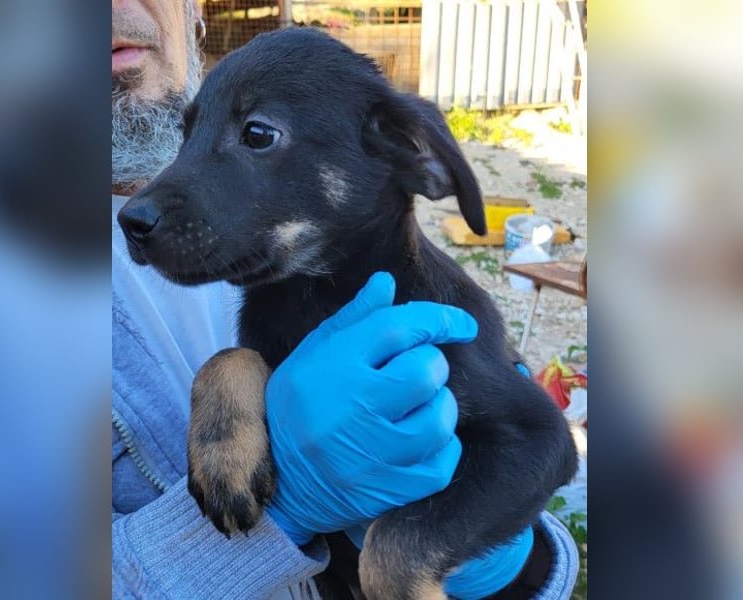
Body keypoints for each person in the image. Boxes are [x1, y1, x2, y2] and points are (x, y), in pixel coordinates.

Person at [111, 1, 579, 598]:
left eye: (257, 136)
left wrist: (475, 566)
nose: (146, 206)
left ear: (410, 155)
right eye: (193, 137)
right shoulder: (258, 318)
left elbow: (545, 446)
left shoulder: (431, 326)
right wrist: (232, 388)